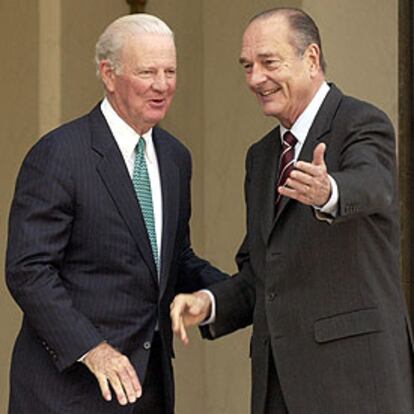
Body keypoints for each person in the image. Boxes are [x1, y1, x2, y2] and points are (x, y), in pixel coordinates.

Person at [170, 7, 414, 414]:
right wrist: (209, 302)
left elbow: (373, 185)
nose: (255, 79)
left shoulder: (360, 122)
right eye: (247, 66)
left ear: (312, 58)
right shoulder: (262, 156)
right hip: (278, 388)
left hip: (354, 384)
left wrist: (329, 190)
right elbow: (262, 276)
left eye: (268, 62)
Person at [6, 13, 226, 414]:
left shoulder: (175, 157)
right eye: (147, 72)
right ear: (109, 74)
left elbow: (172, 260)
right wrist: (92, 349)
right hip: (68, 393)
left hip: (148, 392)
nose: (163, 85)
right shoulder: (60, 154)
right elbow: (29, 270)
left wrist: (227, 295)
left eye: (170, 71)